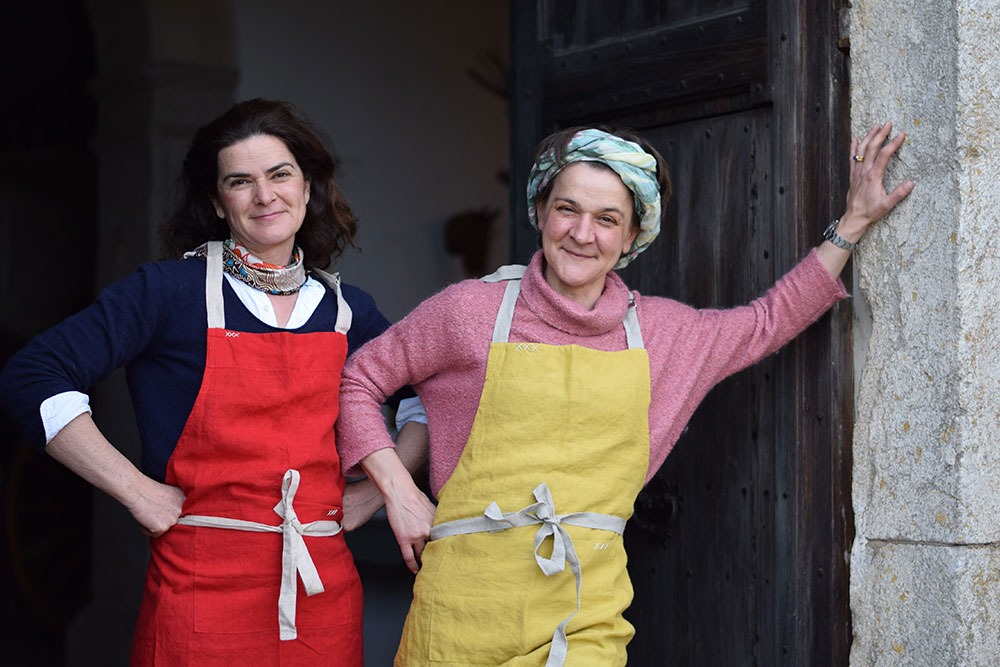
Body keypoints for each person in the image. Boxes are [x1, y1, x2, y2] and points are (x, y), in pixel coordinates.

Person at [335, 122, 914, 665]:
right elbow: (359, 379)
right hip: (458, 614)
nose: (583, 234)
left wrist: (854, 224)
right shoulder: (468, 311)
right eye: (567, 209)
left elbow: (768, 320)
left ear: (634, 235)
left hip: (585, 615)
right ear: (539, 211)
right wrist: (396, 489)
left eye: (607, 219)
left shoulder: (662, 334)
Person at [0, 99, 426, 666]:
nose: (265, 195)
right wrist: (134, 489)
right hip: (199, 594)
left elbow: (426, 397)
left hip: (321, 594)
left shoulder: (348, 311)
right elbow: (34, 375)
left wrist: (374, 493)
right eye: (240, 182)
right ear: (217, 202)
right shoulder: (166, 294)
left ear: (308, 187)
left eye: (280, 175)